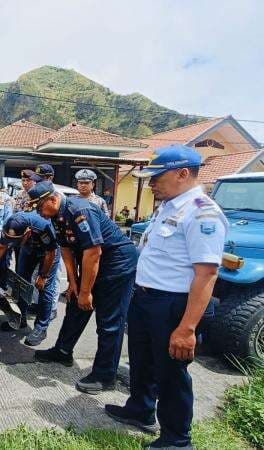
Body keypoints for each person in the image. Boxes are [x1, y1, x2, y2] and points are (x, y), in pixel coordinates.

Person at [105, 145, 228, 450]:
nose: (151, 184)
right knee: (142, 362)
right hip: (146, 299)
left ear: (183, 174)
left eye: (157, 177)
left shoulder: (202, 213)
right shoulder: (170, 206)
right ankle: (141, 410)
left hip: (173, 306)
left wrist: (186, 329)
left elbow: (206, 275)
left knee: (171, 373)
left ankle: (177, 439)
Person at [29, 181, 138, 394]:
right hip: (93, 263)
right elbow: (67, 250)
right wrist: (74, 284)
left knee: (109, 322)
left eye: (39, 207)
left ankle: (105, 376)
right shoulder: (56, 217)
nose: (38, 212)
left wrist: (86, 292)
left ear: (53, 199)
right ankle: (62, 351)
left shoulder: (80, 210)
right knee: (75, 305)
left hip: (116, 264)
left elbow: (93, 252)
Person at [0, 211, 60, 346]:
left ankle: (41, 328)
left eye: (17, 241)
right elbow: (1, 247)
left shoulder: (42, 227)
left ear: (27, 232)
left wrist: (43, 276)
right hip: (29, 248)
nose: (13, 244)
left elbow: (51, 253)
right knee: (20, 283)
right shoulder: (8, 225)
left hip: (48, 252)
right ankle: (20, 319)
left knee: (45, 288)